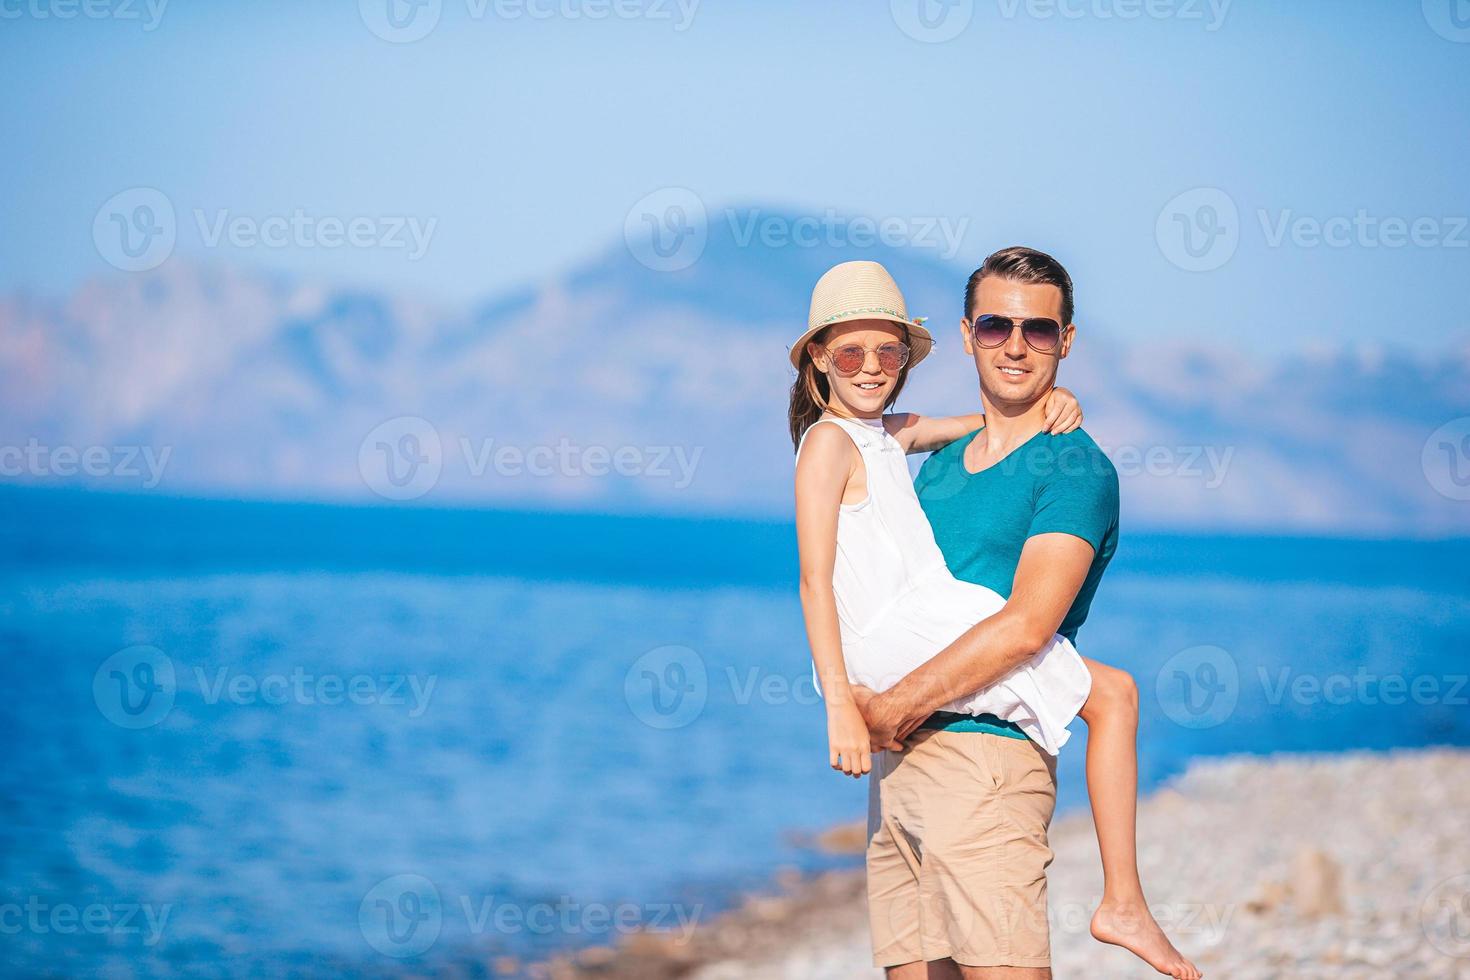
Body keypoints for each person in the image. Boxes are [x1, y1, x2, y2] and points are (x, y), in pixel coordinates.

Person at [791, 256, 1200, 979]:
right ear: (968, 334)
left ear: (1066, 339)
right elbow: (825, 574)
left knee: (1112, 693)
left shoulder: (1071, 468)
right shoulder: (934, 459)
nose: (1015, 344)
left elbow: (1026, 627)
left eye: (1038, 330)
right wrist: (858, 713)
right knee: (1111, 694)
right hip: (898, 777)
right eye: (995, 325)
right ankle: (1125, 900)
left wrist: (881, 708)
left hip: (982, 768)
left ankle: (1126, 902)